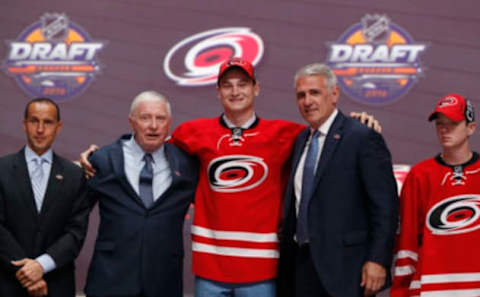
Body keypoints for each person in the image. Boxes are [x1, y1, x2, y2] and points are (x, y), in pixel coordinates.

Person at [80, 58, 381, 297]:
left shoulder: (287, 134)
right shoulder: (192, 132)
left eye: (243, 84)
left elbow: (327, 133)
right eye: (227, 85)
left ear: (256, 89)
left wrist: (357, 121)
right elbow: (148, 142)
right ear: (218, 92)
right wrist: (100, 154)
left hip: (262, 270)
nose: (235, 91)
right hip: (210, 269)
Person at [278, 63, 398, 297]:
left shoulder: (362, 137)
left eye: (315, 92)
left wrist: (378, 260)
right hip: (301, 268)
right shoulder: (301, 139)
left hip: (347, 270)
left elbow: (385, 207)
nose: (307, 101)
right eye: (301, 95)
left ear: (334, 94)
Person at [84, 91, 198, 297]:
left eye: (160, 118)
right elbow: (74, 216)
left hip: (163, 283)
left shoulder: (187, 164)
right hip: (109, 282)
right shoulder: (102, 160)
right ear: (132, 122)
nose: (153, 125)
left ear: (169, 123)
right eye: (145, 117)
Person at [391, 94, 480, 297]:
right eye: (440, 123)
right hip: (431, 287)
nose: (444, 129)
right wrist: (401, 291)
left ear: (471, 128)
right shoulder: (420, 175)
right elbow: (406, 242)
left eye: (453, 123)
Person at [0, 98, 89, 297]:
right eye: (34, 121)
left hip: (56, 285)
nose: (40, 129)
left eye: (47, 122)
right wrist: (26, 273)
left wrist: (41, 265)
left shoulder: (74, 175)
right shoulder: (2, 170)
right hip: (8, 284)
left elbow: (76, 233)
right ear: (24, 125)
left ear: (58, 127)